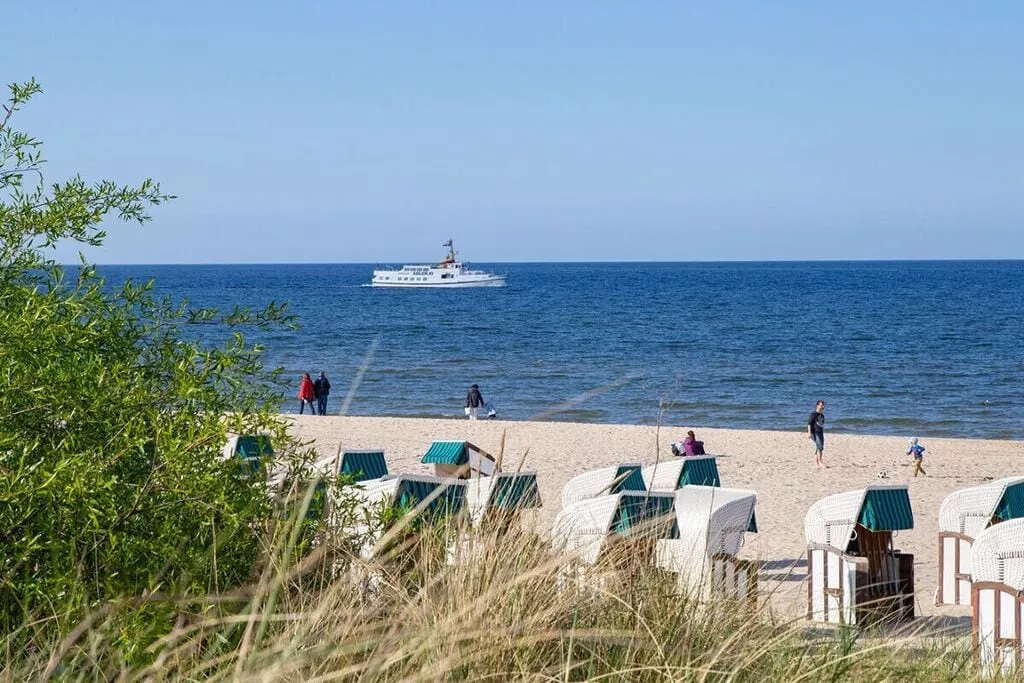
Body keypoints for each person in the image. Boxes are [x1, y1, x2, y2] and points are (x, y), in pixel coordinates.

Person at [807, 400, 825, 468]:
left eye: (823, 405)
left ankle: (816, 463)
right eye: (821, 405)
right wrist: (809, 433)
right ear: (817, 405)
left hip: (820, 433)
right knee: (820, 447)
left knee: (819, 447)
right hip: (815, 433)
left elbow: (821, 424)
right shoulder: (813, 414)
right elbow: (809, 424)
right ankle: (820, 462)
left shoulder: (822, 415)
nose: (822, 406)